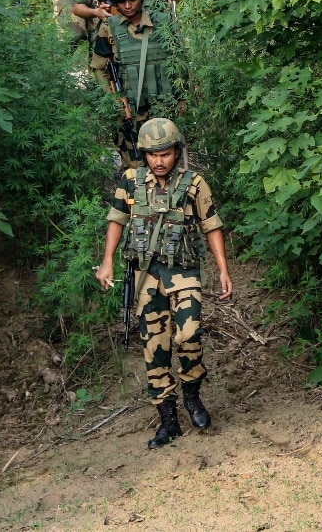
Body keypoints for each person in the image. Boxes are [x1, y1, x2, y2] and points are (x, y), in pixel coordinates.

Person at [95, 118, 233, 450]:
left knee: (189, 332)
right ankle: (168, 420)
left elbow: (211, 225)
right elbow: (116, 220)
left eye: (166, 154)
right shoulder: (130, 182)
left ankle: (192, 395)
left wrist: (223, 269)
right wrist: (108, 260)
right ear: (144, 154)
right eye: (153, 155)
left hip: (183, 271)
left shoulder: (194, 184)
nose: (159, 161)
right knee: (155, 346)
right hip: (146, 275)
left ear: (176, 153)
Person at [90, 0, 180, 168]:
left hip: (164, 109)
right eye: (121, 2)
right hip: (131, 112)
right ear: (114, 3)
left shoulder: (164, 23)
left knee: (167, 166)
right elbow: (98, 68)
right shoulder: (109, 28)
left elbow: (179, 63)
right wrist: (115, 100)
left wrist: (182, 99)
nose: (128, 5)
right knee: (136, 170)